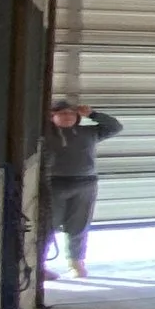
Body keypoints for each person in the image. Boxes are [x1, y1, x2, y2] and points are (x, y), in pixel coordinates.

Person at [45, 96, 122, 280]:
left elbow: (115, 127)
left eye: (71, 114)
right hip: (54, 185)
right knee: (48, 226)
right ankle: (40, 265)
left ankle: (76, 263)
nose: (67, 117)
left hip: (85, 184)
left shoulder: (88, 132)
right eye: (62, 113)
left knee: (79, 226)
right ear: (52, 116)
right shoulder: (45, 134)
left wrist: (92, 114)